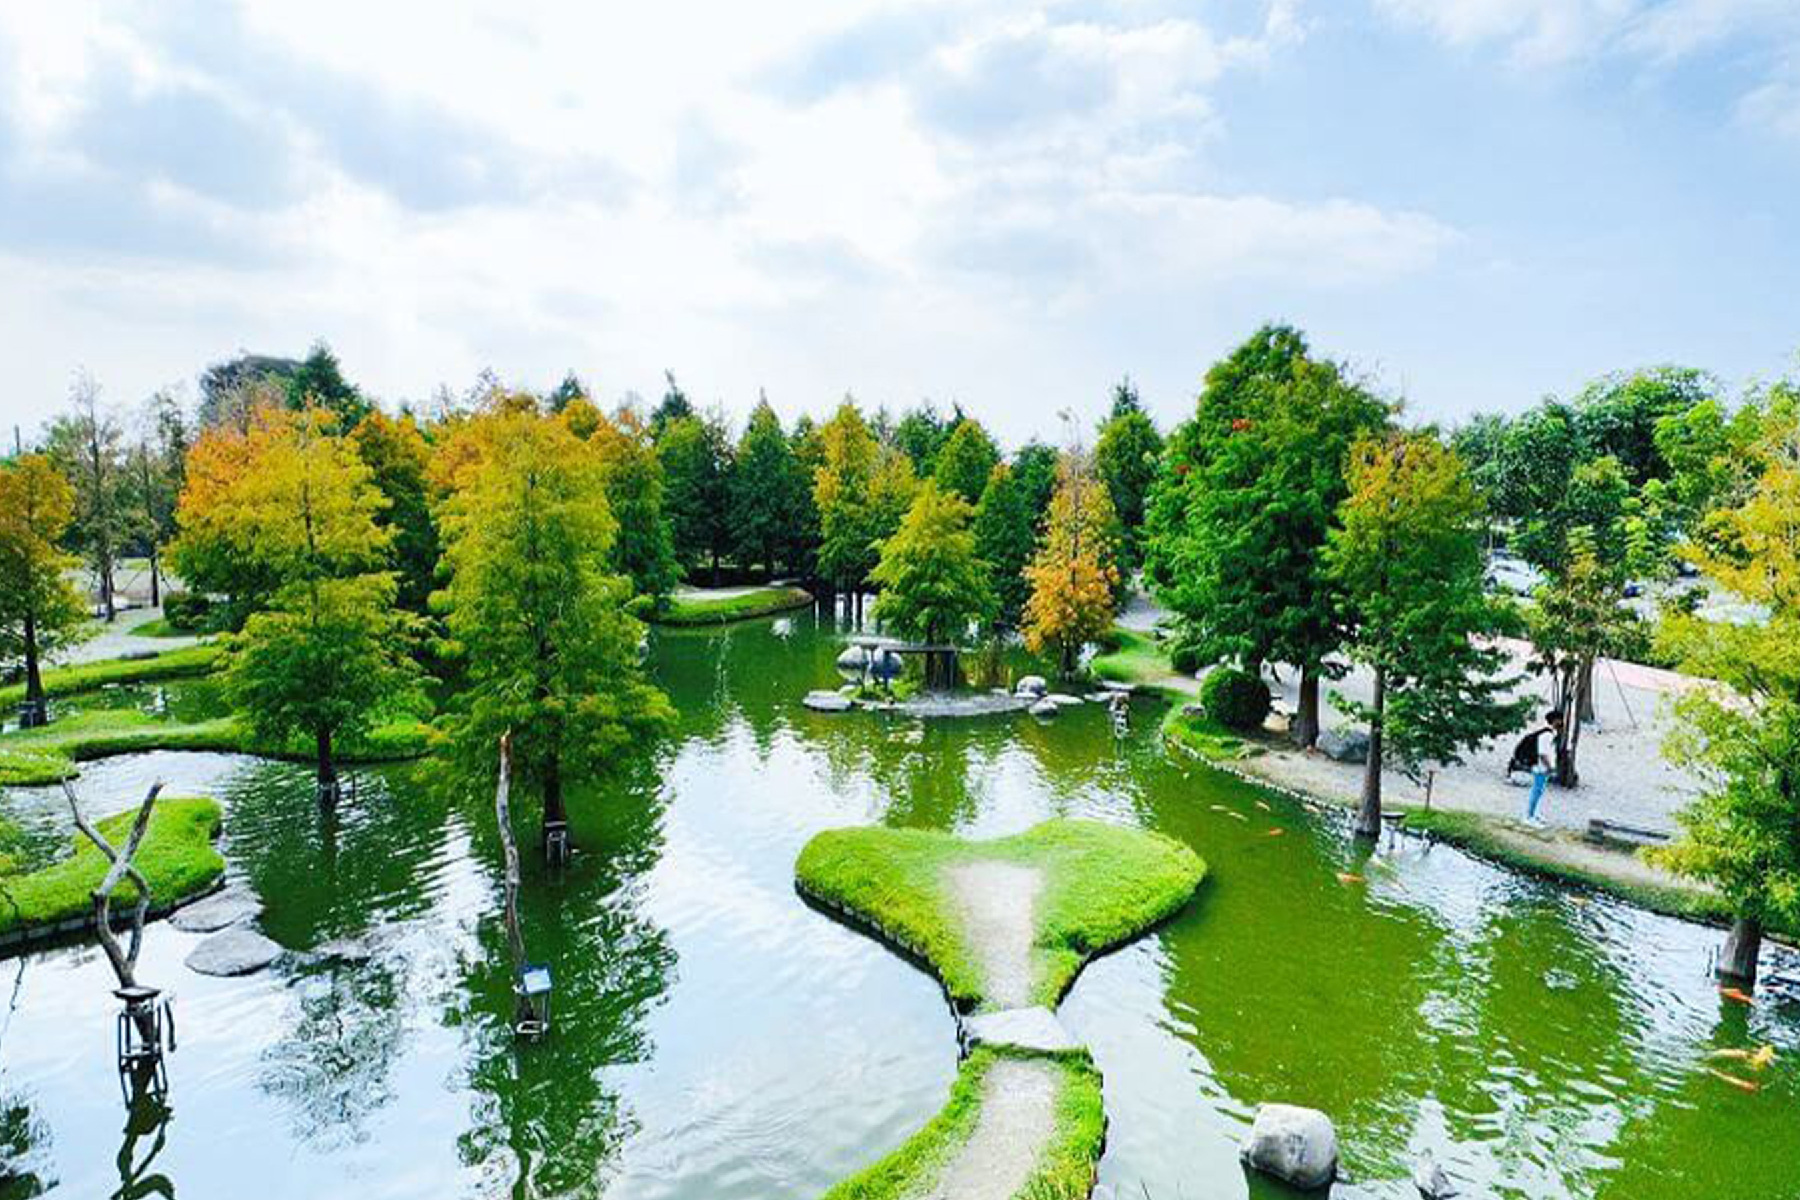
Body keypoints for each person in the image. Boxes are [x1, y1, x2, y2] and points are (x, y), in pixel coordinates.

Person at [1507, 710, 1562, 825]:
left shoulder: (1547, 733)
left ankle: (1534, 814)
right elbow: (1542, 753)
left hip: (1541, 768)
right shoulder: (1547, 735)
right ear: (1556, 720)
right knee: (1536, 791)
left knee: (1539, 791)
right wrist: (1550, 767)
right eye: (1560, 720)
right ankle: (1529, 816)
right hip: (1541, 768)